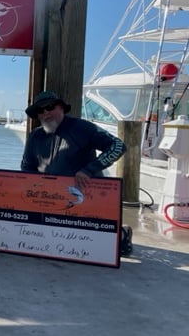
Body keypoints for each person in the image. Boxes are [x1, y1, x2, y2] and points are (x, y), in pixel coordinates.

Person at [21, 91, 133, 255]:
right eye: (40, 110)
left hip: (85, 196)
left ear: (61, 108)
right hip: (49, 198)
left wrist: (89, 170)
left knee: (90, 238)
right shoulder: (35, 135)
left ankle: (123, 232)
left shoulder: (82, 127)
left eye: (50, 107)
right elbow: (26, 167)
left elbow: (117, 146)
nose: (45, 113)